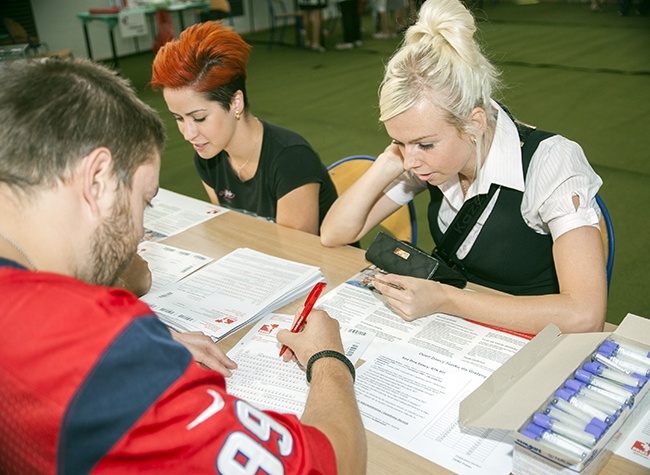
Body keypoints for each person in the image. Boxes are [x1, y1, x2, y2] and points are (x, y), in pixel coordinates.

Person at [0, 58, 366, 474]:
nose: (140, 231)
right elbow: (333, 463)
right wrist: (329, 358)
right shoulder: (97, 350)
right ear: (98, 180)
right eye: (143, 201)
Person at [321, 0, 608, 336]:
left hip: (530, 338)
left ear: (474, 123)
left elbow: (586, 315)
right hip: (456, 331)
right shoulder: (424, 158)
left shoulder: (550, 162)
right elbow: (334, 234)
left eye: (424, 144)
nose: (411, 160)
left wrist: (446, 299)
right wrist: (387, 162)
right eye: (399, 141)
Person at [150, 22, 337, 235]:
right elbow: (229, 231)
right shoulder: (207, 156)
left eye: (199, 118)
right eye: (179, 118)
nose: (188, 134)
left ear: (235, 103)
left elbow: (297, 254)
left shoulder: (291, 159)